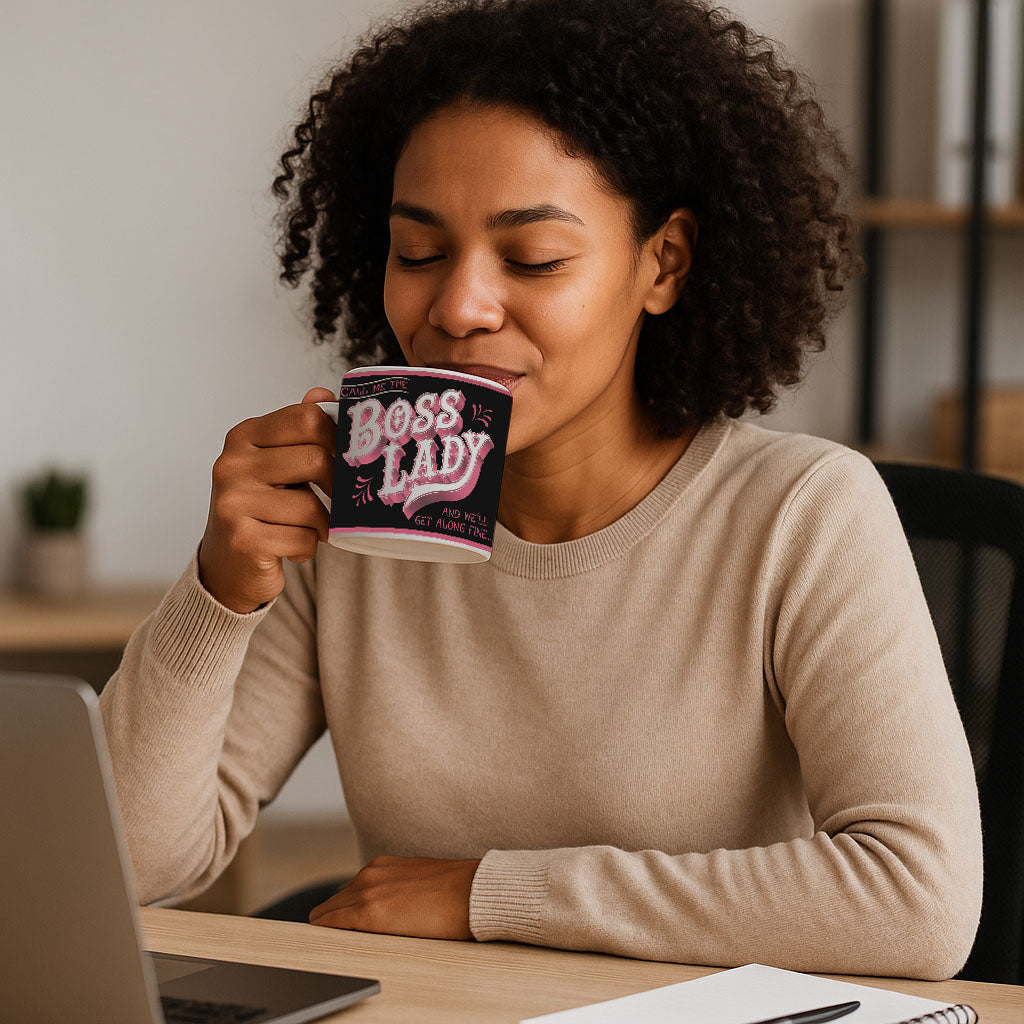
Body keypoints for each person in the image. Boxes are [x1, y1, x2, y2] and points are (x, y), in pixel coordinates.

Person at [99, 0, 982, 980]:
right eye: (419, 252)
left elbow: (919, 900)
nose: (458, 307)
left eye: (531, 258)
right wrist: (219, 594)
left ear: (664, 263)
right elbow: (132, 864)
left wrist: (487, 893)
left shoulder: (800, 514)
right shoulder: (357, 522)